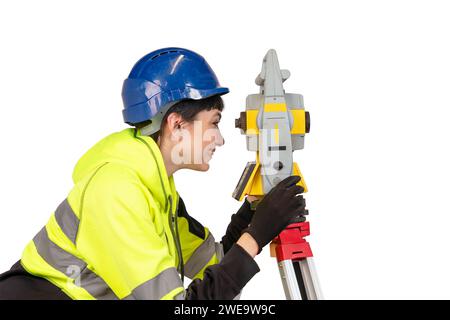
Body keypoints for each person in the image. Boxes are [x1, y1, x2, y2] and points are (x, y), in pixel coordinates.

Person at [0, 48, 306, 300]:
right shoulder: (116, 192)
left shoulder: (157, 191)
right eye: (213, 123)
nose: (220, 138)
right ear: (176, 124)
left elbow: (212, 265)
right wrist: (255, 236)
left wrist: (250, 221)